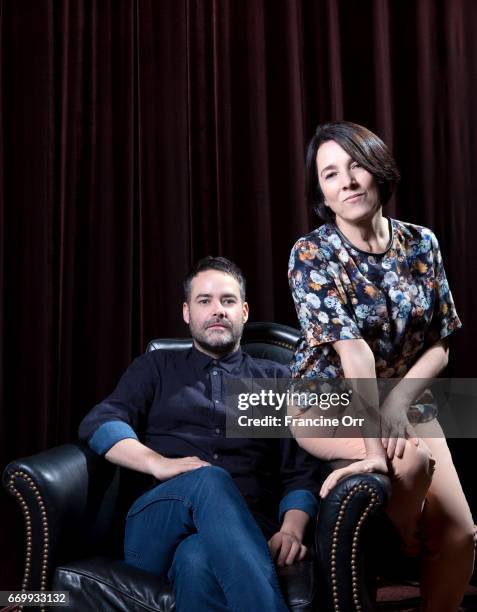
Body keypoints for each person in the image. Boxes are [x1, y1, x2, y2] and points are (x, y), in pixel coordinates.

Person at [287, 121, 475, 611]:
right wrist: (375, 449)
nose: (346, 181)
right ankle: (400, 545)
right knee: (410, 463)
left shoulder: (421, 244)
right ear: (323, 194)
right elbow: (355, 353)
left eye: (355, 166)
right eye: (330, 174)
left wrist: (398, 404)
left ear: (379, 171)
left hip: (405, 398)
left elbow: (441, 344)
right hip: (325, 401)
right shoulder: (312, 253)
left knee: (460, 535)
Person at [79, 256, 323, 612]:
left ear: (244, 311)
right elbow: (101, 422)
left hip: (248, 529)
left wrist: (291, 529)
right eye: (204, 301)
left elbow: (299, 470)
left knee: (196, 560)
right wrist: (157, 463)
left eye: (228, 301)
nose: (217, 310)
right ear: (186, 313)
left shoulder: (273, 381)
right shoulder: (157, 368)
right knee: (208, 479)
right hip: (155, 528)